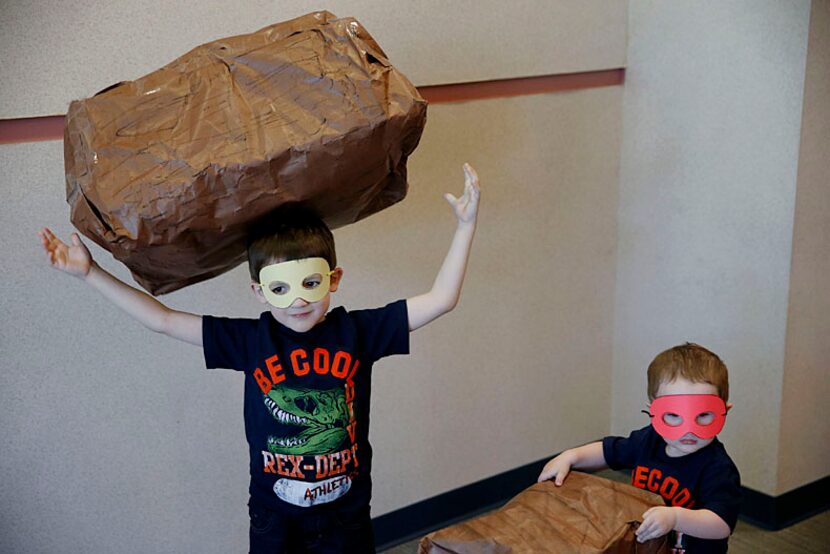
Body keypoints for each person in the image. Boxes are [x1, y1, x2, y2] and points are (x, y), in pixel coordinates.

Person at [39, 163, 481, 553]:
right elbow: (164, 320)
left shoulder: (358, 332)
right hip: (274, 515)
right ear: (258, 292)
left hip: (345, 512)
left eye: (310, 284)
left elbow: (442, 299)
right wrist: (90, 273)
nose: (297, 302)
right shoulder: (251, 340)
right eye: (280, 288)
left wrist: (464, 227)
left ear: (334, 279)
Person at [538, 343, 741, 553]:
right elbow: (609, 452)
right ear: (652, 411)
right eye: (672, 415)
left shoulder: (718, 468)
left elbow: (721, 525)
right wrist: (571, 456)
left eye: (703, 415)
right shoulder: (648, 440)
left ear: (725, 410)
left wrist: (676, 518)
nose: (688, 430)